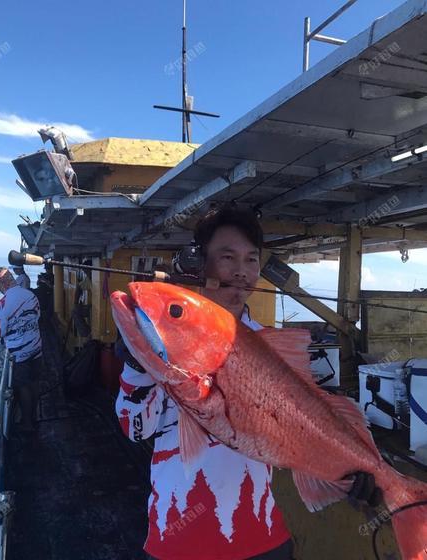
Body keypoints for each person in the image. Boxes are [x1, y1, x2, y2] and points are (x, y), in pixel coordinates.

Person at [115, 206, 379, 560]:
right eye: (227, 257)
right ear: (200, 263)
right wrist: (136, 364)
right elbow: (135, 431)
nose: (241, 272)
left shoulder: (270, 343)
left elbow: (306, 427)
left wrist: (349, 476)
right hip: (177, 540)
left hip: (264, 537)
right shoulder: (171, 332)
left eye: (251, 260)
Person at [0, 267, 42, 432]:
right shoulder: (31, 295)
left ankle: (28, 424)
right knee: (34, 383)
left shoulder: (3, 303)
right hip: (36, 347)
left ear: (1, 283)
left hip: (20, 353)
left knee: (23, 386)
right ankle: (34, 417)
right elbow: (37, 317)